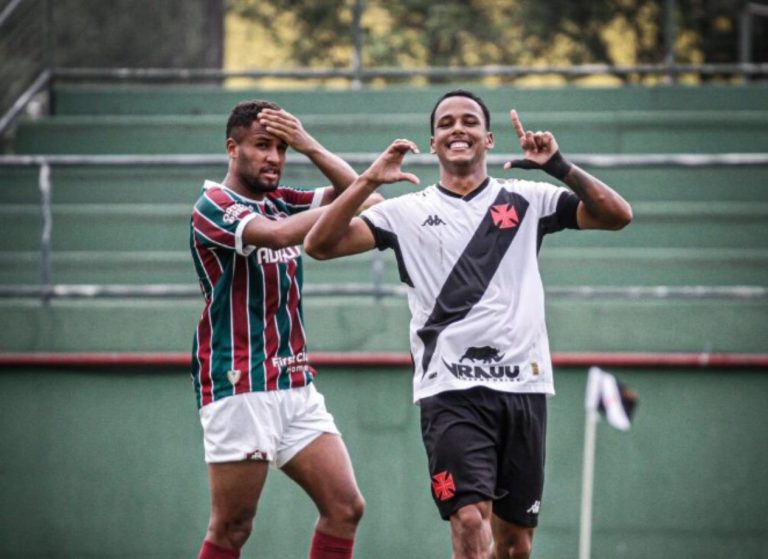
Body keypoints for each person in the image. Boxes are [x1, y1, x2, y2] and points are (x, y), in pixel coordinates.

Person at [304, 89, 632, 559]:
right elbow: (320, 245)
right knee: (468, 519)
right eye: (446, 123)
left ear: (489, 138)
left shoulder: (529, 199)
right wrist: (368, 180)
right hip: (449, 391)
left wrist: (559, 166)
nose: (458, 129)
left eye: (470, 121)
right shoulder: (404, 211)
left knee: (515, 545)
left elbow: (618, 216)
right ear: (433, 142)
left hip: (524, 387)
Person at [190, 100, 380, 559]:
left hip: (293, 382)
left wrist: (309, 144)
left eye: (281, 147)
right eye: (261, 146)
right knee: (233, 527)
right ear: (232, 149)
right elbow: (278, 236)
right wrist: (361, 187)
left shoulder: (281, 199)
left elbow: (368, 201)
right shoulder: (213, 205)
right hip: (240, 384)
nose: (274, 157)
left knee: (346, 507)